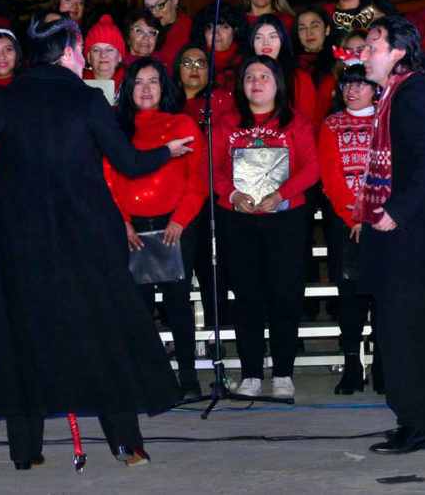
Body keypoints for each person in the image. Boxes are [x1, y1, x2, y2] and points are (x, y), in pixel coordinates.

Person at [0, 16, 193, 470]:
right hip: (86, 237)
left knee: (26, 334)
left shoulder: (11, 97)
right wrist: (168, 151)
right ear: (65, 53)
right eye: (80, 49)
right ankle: (125, 443)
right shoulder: (87, 98)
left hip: (22, 239)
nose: (84, 57)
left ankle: (25, 451)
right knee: (104, 330)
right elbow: (130, 163)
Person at [356, 16, 425, 455]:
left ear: (397, 51)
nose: (363, 54)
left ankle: (418, 422)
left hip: (411, 241)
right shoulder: (399, 93)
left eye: (372, 46)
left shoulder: (411, 92)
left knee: (404, 334)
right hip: (415, 241)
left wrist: (394, 212)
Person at [213, 55, 319, 400]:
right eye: (249, 77)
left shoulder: (295, 122)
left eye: (264, 76)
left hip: (284, 219)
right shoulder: (226, 123)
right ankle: (251, 373)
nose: (256, 83)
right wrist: (230, 192)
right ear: (241, 86)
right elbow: (208, 168)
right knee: (247, 297)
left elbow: (312, 167)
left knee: (284, 295)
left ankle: (284, 372)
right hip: (239, 219)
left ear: (277, 83)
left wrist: (282, 193)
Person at [107, 57, 209, 398]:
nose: (146, 89)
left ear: (164, 87)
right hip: (131, 227)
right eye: (138, 82)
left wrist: (181, 219)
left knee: (178, 304)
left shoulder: (182, 124)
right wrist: (121, 222)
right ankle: (148, 380)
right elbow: (106, 179)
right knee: (138, 307)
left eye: (153, 81)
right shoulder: (116, 128)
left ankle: (189, 377)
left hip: (175, 225)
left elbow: (198, 178)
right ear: (128, 89)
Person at [317, 62, 378, 395]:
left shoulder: (386, 118)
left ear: (375, 88)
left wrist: (374, 213)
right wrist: (353, 216)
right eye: (346, 86)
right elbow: (331, 176)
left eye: (360, 84)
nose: (352, 91)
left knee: (383, 295)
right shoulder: (331, 124)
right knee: (350, 295)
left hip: (384, 220)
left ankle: (384, 362)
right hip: (346, 223)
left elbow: (393, 169)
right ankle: (352, 363)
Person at [173, 43, 235, 329]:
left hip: (213, 196)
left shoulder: (221, 101)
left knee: (213, 269)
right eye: (187, 63)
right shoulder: (167, 103)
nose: (194, 69)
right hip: (175, 198)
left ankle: (215, 333)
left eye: (201, 63)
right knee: (178, 273)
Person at [248, 13, 317, 125]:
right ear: (252, 43)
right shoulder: (245, 76)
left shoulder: (300, 78)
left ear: (282, 40)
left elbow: (306, 124)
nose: (265, 43)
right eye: (258, 37)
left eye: (272, 36)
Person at [292, 6, 338, 124]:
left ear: (327, 29)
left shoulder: (339, 63)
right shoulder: (290, 66)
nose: (309, 32)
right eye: (302, 28)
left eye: (315, 25)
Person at [190, 2, 247, 93]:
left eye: (224, 27)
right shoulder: (194, 60)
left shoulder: (246, 62)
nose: (216, 34)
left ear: (235, 30)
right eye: (210, 28)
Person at [143, 0, 192, 71]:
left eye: (160, 5)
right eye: (149, 7)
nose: (154, 12)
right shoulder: (144, 31)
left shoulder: (191, 31)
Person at [82, 14, 126, 93]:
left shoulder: (131, 86)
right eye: (96, 50)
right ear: (88, 57)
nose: (103, 55)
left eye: (109, 49)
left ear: (119, 56)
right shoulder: (78, 84)